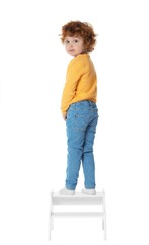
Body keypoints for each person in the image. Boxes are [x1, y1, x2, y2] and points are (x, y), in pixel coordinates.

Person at [59, 21, 99, 196]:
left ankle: (70, 186)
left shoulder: (76, 63)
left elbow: (70, 87)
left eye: (76, 41)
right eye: (67, 41)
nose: (70, 45)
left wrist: (64, 108)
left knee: (74, 149)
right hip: (92, 109)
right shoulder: (89, 62)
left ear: (86, 43)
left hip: (78, 108)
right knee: (87, 149)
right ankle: (90, 187)